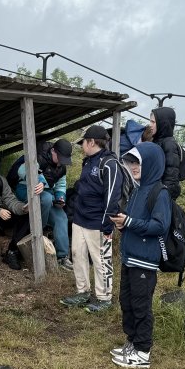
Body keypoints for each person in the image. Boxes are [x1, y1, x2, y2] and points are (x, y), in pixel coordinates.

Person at [109, 143, 171, 368]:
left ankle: (143, 352)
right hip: (130, 258)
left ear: (151, 164)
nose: (134, 167)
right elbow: (134, 222)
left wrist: (129, 222)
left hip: (145, 261)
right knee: (126, 302)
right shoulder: (137, 189)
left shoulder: (160, 193)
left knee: (141, 306)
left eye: (139, 162)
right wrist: (123, 224)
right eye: (132, 162)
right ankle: (132, 343)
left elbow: (160, 226)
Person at [60, 125, 122, 313]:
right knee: (78, 255)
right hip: (80, 219)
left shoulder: (110, 164)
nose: (81, 147)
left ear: (92, 142)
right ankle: (83, 292)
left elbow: (112, 196)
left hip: (98, 222)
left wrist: (107, 224)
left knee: (101, 260)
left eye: (83, 143)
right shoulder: (87, 162)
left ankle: (104, 298)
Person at [7, 139, 74, 271]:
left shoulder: (61, 167)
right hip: (25, 188)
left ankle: (63, 257)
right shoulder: (39, 155)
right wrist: (41, 181)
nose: (61, 162)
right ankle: (38, 232)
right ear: (53, 151)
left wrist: (60, 197)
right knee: (46, 199)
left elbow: (61, 184)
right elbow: (23, 170)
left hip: (47, 193)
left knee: (61, 217)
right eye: (60, 158)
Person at [148, 107, 182, 200]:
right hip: (154, 190)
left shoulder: (169, 144)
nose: (150, 125)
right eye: (150, 121)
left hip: (161, 194)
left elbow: (171, 176)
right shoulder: (155, 140)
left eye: (153, 122)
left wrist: (163, 196)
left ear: (162, 123)